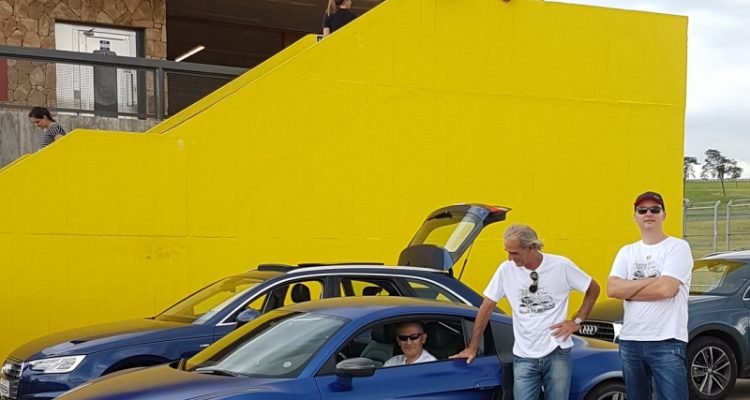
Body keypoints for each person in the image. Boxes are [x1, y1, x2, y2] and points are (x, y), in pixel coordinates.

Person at [451, 224, 600, 400]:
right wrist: (472, 347)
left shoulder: (561, 265)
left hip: (557, 350)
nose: (509, 258)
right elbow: (486, 307)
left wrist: (577, 321)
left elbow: (593, 288)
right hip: (524, 354)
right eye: (507, 252)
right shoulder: (505, 270)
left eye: (514, 253)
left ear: (532, 247)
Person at [607, 191, 693, 400]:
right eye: (642, 210)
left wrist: (629, 290)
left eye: (655, 209)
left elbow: (666, 289)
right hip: (630, 341)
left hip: (666, 340)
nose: (648, 214)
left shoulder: (678, 247)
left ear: (664, 215)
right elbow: (613, 289)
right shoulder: (626, 251)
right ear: (635, 216)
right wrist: (652, 280)